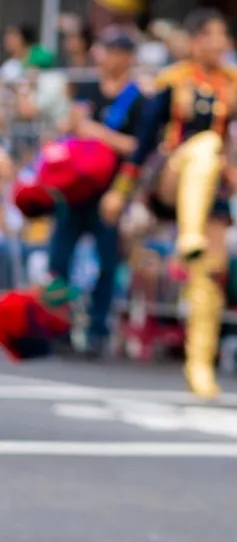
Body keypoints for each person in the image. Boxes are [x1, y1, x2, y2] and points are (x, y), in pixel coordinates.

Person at [102, 8, 237, 400]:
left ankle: (199, 363)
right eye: (210, 35)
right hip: (173, 177)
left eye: (223, 35)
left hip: (214, 187)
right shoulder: (172, 82)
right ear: (194, 41)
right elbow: (143, 144)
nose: (218, 43)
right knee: (205, 145)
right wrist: (120, 191)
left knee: (210, 272)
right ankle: (188, 235)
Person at [47, 27, 144, 352]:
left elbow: (137, 146)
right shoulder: (87, 88)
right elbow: (68, 129)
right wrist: (71, 125)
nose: (108, 57)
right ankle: (58, 325)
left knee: (107, 263)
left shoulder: (137, 98)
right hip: (75, 190)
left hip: (110, 192)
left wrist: (98, 132)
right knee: (59, 258)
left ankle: (97, 330)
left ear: (127, 57)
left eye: (115, 51)